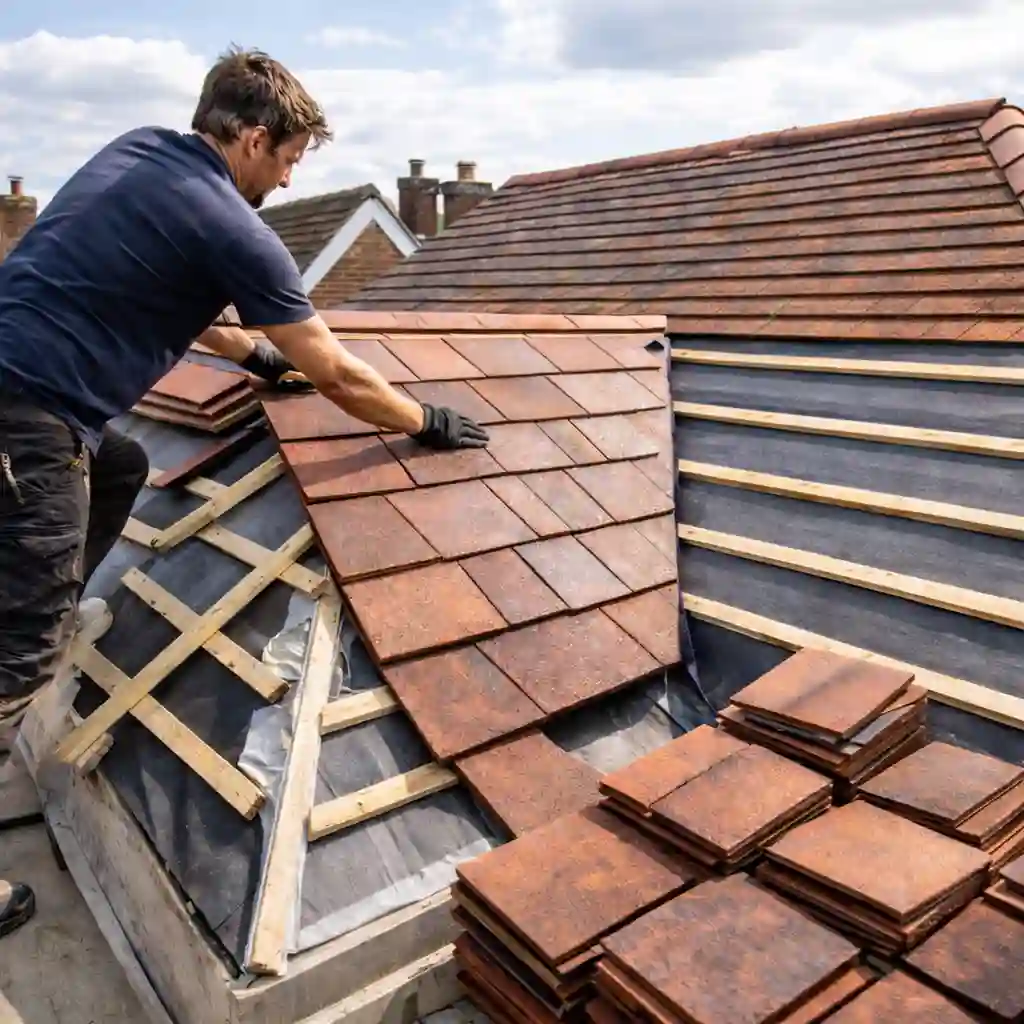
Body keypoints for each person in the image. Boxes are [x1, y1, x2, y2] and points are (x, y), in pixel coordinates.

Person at [0, 46, 488, 938]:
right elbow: (338, 372)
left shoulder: (141, 153)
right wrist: (421, 421)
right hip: (25, 421)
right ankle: (33, 624)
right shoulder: (234, 224)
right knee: (18, 655)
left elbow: (176, 296)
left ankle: (52, 598)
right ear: (255, 138)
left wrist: (257, 355)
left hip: (26, 397)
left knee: (121, 469)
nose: (291, 177)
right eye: (291, 158)